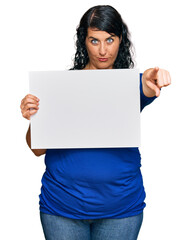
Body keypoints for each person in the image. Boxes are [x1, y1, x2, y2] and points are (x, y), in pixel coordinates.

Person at [20, 5, 171, 240]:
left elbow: (147, 84)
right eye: (94, 40)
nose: (103, 50)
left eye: (109, 40)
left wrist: (154, 75)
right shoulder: (59, 87)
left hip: (121, 211)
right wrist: (33, 117)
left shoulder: (129, 85)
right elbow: (37, 148)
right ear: (84, 41)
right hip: (62, 209)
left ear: (121, 40)